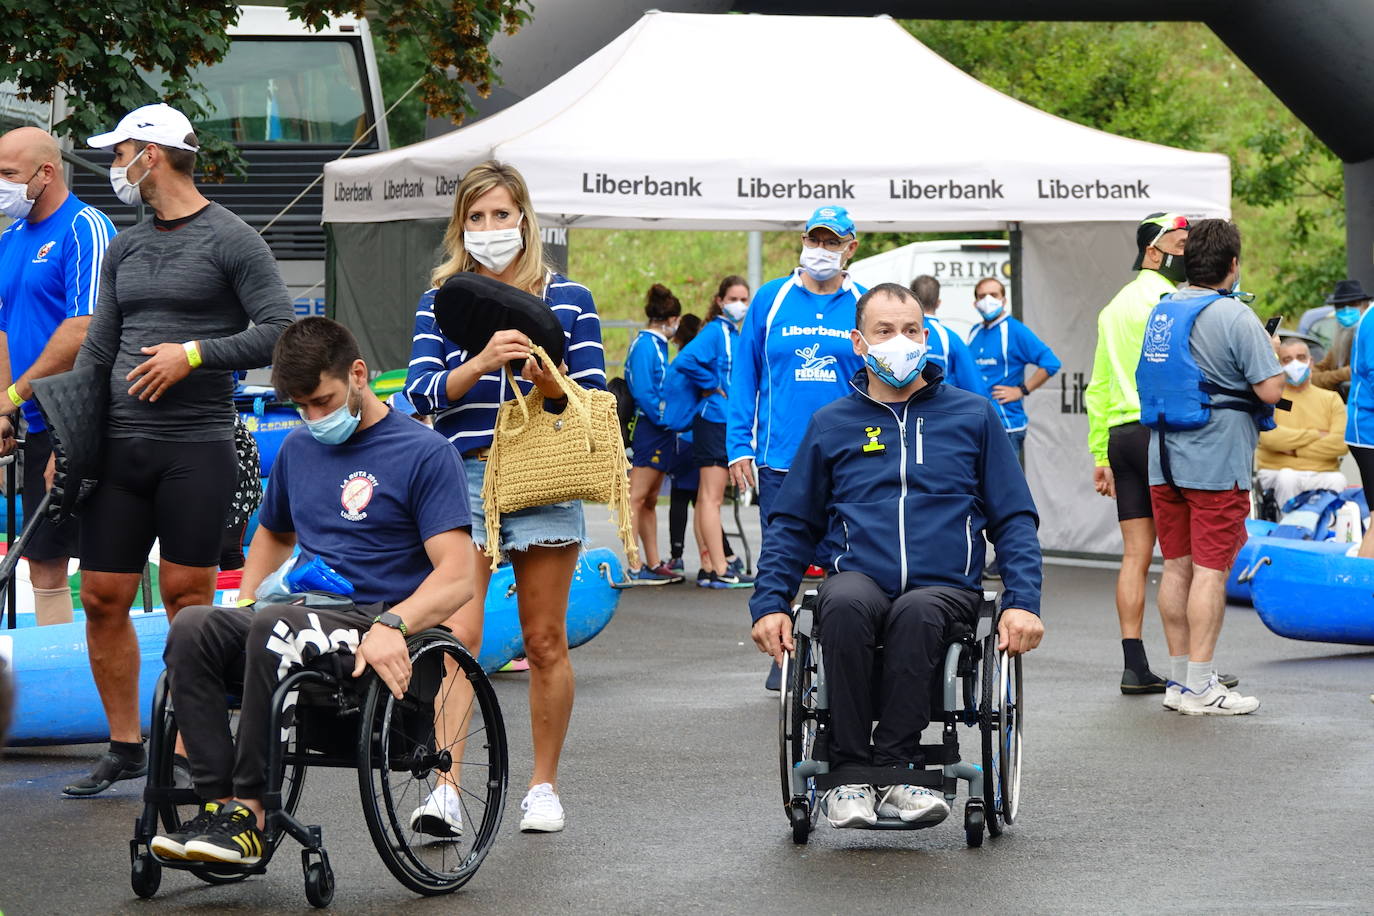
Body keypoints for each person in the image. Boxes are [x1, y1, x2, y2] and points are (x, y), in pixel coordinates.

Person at [150, 317, 474, 864]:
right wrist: (249, 597)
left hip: (374, 621)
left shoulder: (424, 453)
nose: (314, 417)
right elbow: (275, 532)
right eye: (302, 406)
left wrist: (394, 624)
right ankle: (219, 808)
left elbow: (459, 575)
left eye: (323, 400)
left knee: (275, 626)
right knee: (193, 625)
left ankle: (250, 818)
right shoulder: (299, 450)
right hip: (302, 613)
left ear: (358, 374)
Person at [748, 283, 1044, 828]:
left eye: (911, 330)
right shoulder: (831, 423)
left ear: (926, 336)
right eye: (885, 331)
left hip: (944, 586)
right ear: (859, 343)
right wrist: (768, 604)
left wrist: (1022, 601)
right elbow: (792, 523)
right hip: (857, 575)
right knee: (842, 603)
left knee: (918, 611)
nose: (900, 341)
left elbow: (1014, 518)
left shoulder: (973, 417)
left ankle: (903, 772)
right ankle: (849, 776)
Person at [64, 103, 294, 796]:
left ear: (151, 156)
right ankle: (124, 746)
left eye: (120, 153)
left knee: (186, 600)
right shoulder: (127, 246)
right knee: (103, 597)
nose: (114, 168)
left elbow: (280, 331)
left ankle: (197, 751)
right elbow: (101, 345)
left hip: (196, 446)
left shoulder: (234, 239)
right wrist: (74, 439)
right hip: (120, 450)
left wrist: (194, 354)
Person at [405, 160, 606, 833]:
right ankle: (445, 789)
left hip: (543, 473)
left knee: (544, 638)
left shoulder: (569, 297)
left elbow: (592, 399)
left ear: (525, 217)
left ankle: (543, 787)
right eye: (477, 216)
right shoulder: (442, 299)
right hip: (461, 475)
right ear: (461, 225)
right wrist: (481, 363)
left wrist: (546, 379)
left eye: (501, 214)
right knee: (456, 632)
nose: (490, 228)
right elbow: (421, 393)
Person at [1140, 219, 1282, 716]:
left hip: (1163, 457)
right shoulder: (1234, 316)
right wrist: (1274, 354)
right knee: (1210, 572)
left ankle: (1180, 682)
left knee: (1175, 567)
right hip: (1216, 459)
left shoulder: (1164, 309)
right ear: (1233, 265)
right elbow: (1270, 390)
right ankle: (1203, 685)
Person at [727, 206, 866, 689]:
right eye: (815, 240)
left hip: (852, 459)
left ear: (852, 247)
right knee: (781, 556)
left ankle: (835, 652)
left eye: (833, 242)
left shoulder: (865, 303)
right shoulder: (772, 298)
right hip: (781, 457)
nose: (821, 250)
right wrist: (736, 445)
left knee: (845, 559)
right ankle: (781, 652)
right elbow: (743, 374)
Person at [0, 126, 116, 626]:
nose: (0, 185)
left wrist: (11, 396)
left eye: (7, 174)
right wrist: (4, 407)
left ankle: (102, 676)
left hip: (85, 416)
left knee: (101, 563)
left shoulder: (85, 226)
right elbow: (3, 330)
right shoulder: (7, 239)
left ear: (46, 173)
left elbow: (84, 327)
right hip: (34, 416)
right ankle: (59, 685)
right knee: (43, 558)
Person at [1085, 213, 1188, 695]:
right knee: (1181, 554)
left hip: (1122, 437)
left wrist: (1100, 454)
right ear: (1153, 251)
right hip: (1160, 432)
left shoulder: (1114, 306)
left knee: (1135, 555)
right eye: (1180, 242)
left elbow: (1099, 387)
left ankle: (1134, 664)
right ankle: (1190, 669)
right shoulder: (1172, 302)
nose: (1187, 251)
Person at [673, 276, 753, 589]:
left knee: (707, 498)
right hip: (713, 421)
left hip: (722, 420)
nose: (740, 304)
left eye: (745, 298)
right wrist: (710, 385)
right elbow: (685, 359)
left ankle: (709, 565)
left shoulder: (731, 332)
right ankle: (720, 567)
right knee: (710, 498)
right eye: (734, 298)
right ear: (720, 301)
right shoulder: (716, 331)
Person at [622, 283, 685, 584]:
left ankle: (653, 561)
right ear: (671, 319)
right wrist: (669, 418)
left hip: (660, 428)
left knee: (648, 500)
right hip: (652, 427)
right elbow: (646, 393)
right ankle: (634, 564)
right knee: (636, 497)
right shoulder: (647, 346)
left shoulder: (653, 345)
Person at [965, 276, 1061, 458]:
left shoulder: (1015, 330)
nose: (988, 300)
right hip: (976, 424)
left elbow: (1051, 362)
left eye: (993, 295)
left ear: (1004, 300)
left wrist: (1021, 390)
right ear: (975, 303)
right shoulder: (974, 332)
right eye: (982, 296)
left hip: (1006, 424)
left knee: (1005, 485)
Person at [1257, 338, 1348, 508]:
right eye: (1287, 360)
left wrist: (1293, 449)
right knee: (1287, 477)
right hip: (1278, 472)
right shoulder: (1271, 399)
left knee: (1338, 480)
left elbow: (1340, 443)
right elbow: (1270, 438)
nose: (1295, 364)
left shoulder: (1330, 399)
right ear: (1279, 364)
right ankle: (1287, 531)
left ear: (1310, 362)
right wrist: (1315, 434)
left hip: (1323, 472)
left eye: (1300, 357)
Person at [908, 275, 987, 396]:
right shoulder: (950, 338)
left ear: (910, 299)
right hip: (940, 409)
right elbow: (974, 387)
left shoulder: (897, 334)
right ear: (938, 303)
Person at [1312, 279, 1372, 392]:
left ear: (1365, 306)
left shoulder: (1370, 338)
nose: (1346, 310)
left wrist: (1331, 377)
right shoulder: (1338, 345)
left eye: (1353, 304)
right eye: (1340, 305)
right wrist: (1342, 374)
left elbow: (1361, 371)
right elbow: (1312, 377)